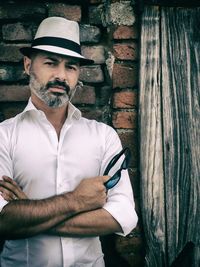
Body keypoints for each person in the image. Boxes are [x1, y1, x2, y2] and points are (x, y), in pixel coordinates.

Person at [0, 17, 138, 267]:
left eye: (71, 67)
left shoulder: (103, 136)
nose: (61, 76)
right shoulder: (4, 136)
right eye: (51, 63)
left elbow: (124, 216)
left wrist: (27, 214)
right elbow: (2, 222)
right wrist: (77, 201)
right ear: (28, 64)